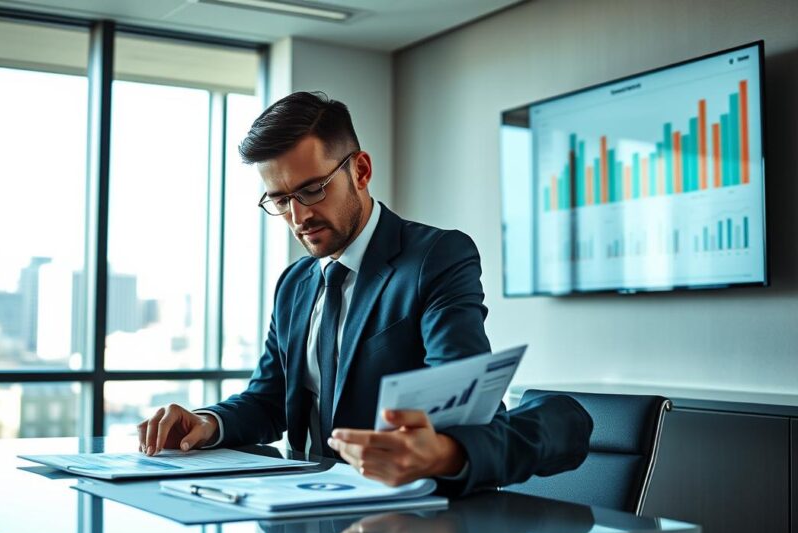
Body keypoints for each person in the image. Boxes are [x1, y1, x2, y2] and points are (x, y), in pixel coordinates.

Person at [138, 91, 592, 496]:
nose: (298, 216)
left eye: (312, 190)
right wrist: (209, 423)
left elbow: (460, 401)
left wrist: (439, 450)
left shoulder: (435, 257)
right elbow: (271, 400)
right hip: (296, 506)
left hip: (404, 520)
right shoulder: (294, 284)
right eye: (280, 201)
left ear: (360, 170)